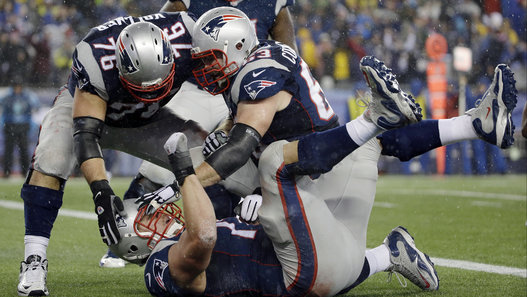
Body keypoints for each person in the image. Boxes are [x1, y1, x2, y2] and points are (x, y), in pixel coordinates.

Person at [16, 12, 211, 296]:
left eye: (158, 83)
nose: (151, 91)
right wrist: (101, 192)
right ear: (120, 67)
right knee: (51, 158)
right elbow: (86, 134)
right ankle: (34, 260)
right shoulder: (95, 56)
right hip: (91, 108)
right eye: (142, 85)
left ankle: (227, 244)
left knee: (210, 161)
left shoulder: (190, 36)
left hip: (148, 120)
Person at [100, 0, 299, 268]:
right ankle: (126, 239)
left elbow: (288, 53)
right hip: (195, 88)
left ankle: (235, 239)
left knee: (243, 168)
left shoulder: (273, 4)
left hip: (243, 93)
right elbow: (156, 35)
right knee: (161, 165)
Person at [0, 77, 40, 178]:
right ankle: (7, 172)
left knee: (24, 150)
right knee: (8, 150)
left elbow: (36, 106)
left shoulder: (28, 96)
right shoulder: (7, 96)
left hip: (23, 125)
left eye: (19, 87)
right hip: (10, 125)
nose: (17, 89)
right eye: (16, 87)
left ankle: (24, 171)